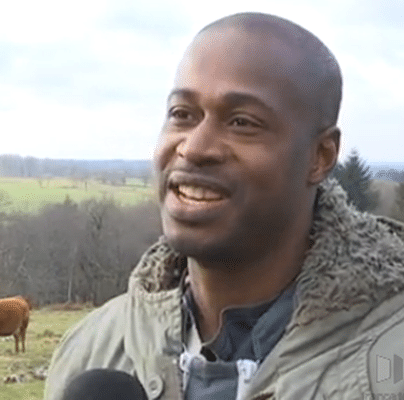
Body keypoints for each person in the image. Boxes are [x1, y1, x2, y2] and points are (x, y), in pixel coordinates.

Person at [44, 12, 404, 400]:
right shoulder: (94, 347)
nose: (194, 148)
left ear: (320, 156)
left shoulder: (388, 360)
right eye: (182, 115)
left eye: (242, 122)